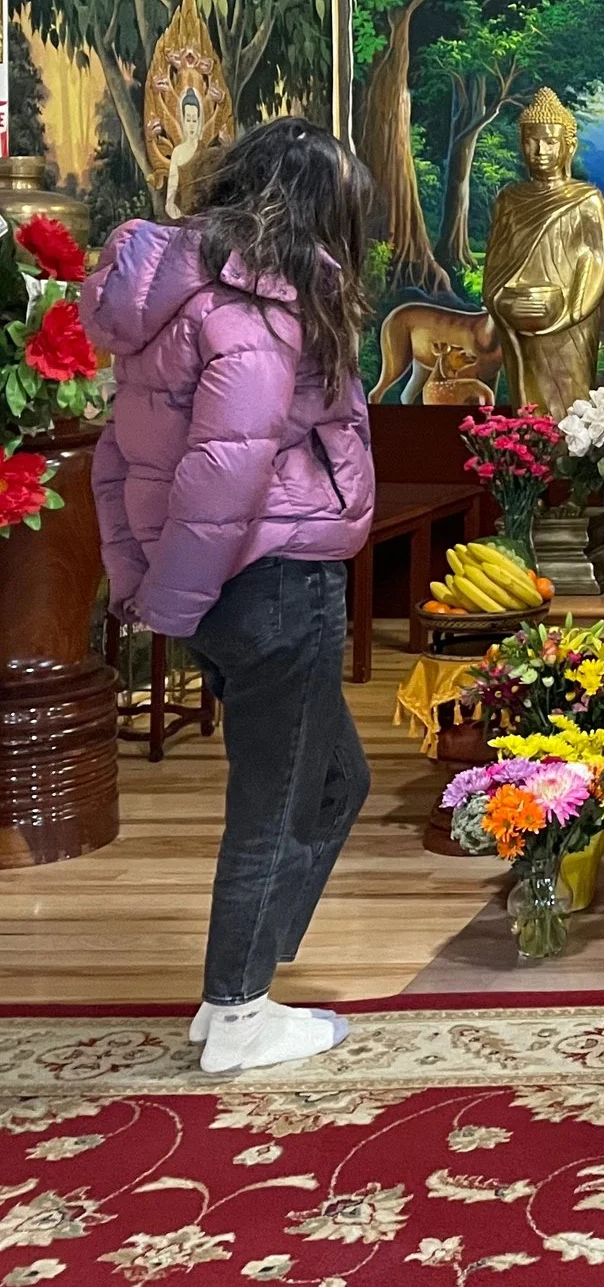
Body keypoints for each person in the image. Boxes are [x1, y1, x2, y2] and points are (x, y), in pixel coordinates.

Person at [85, 117, 377, 1075]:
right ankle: (241, 1008)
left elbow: (116, 457)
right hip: (271, 578)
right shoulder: (257, 304)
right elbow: (224, 473)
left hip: (224, 581)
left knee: (336, 778)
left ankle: (236, 981)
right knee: (274, 799)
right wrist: (177, 597)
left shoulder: (171, 293)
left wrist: (146, 582)